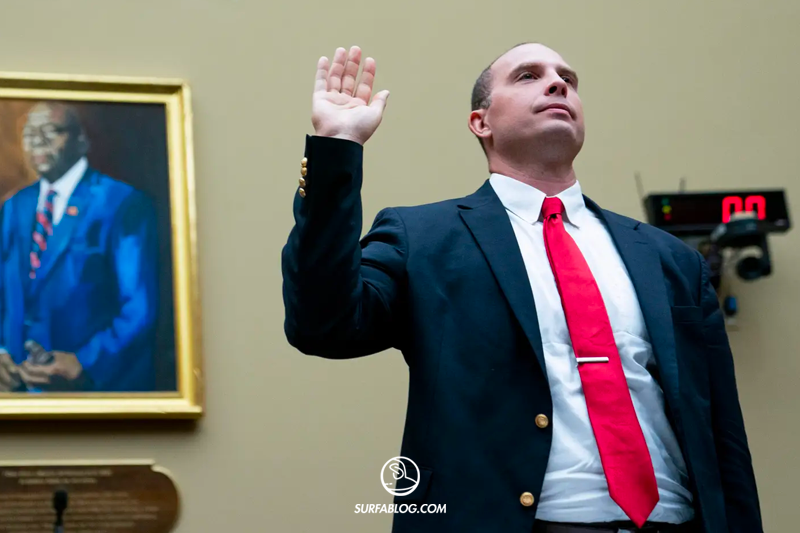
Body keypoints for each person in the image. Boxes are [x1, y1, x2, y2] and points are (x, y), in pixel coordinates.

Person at [281, 43, 762, 533]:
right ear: (481, 122)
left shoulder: (669, 258)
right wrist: (337, 149)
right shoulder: (423, 238)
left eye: (567, 79)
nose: (557, 84)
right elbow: (323, 325)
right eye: (529, 76)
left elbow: (723, 431)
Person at [0, 101, 158, 392]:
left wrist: (85, 363)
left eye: (51, 130)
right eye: (29, 134)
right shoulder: (14, 206)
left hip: (88, 391)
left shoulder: (122, 203)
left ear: (81, 141)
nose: (37, 140)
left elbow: (139, 309)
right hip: (16, 391)